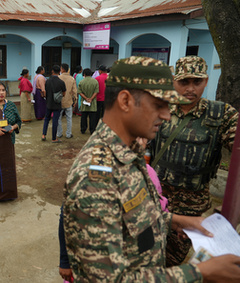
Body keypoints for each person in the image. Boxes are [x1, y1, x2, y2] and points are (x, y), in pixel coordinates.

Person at [63, 56, 240, 282]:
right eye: (159, 105)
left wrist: (176, 221)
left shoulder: (128, 151)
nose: (167, 115)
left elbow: (130, 218)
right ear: (125, 101)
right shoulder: (96, 177)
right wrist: (200, 272)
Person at [150, 55, 239, 267]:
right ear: (174, 81)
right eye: (184, 82)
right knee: (147, 254)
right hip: (156, 200)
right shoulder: (160, 108)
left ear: (206, 81)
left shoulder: (222, 115)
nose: (191, 89)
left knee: (171, 260)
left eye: (197, 82)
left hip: (191, 207)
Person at [42, 65, 66, 143]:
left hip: (48, 103)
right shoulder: (61, 82)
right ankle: (53, 138)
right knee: (55, 121)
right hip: (57, 104)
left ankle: (43, 135)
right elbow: (64, 94)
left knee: (46, 119)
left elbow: (45, 92)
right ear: (59, 72)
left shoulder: (47, 81)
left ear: (52, 71)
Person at [57, 63, 77, 139]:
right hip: (69, 102)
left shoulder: (58, 78)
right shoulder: (72, 79)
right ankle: (68, 134)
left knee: (59, 118)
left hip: (60, 101)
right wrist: (75, 101)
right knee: (69, 119)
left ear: (62, 69)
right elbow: (75, 92)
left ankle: (59, 133)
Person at [78, 68, 99, 134]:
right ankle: (92, 130)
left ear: (84, 74)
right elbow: (96, 92)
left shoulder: (81, 82)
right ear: (91, 73)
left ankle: (83, 129)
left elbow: (80, 92)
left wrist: (86, 98)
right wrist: (91, 98)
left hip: (84, 102)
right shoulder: (95, 81)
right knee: (92, 117)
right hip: (92, 102)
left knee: (83, 117)